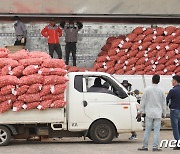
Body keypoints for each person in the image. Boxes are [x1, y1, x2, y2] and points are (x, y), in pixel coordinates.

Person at [138, 74, 166, 151]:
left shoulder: (147, 89)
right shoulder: (161, 90)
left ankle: (145, 146)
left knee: (147, 130)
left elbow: (143, 101)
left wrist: (140, 111)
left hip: (149, 113)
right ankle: (155, 147)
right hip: (158, 113)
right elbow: (164, 103)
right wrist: (164, 113)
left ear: (152, 80)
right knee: (157, 131)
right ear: (159, 81)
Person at [166, 75, 180, 150]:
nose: (171, 82)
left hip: (174, 110)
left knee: (175, 128)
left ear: (175, 81)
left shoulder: (172, 91)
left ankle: (178, 144)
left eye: (172, 80)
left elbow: (167, 100)